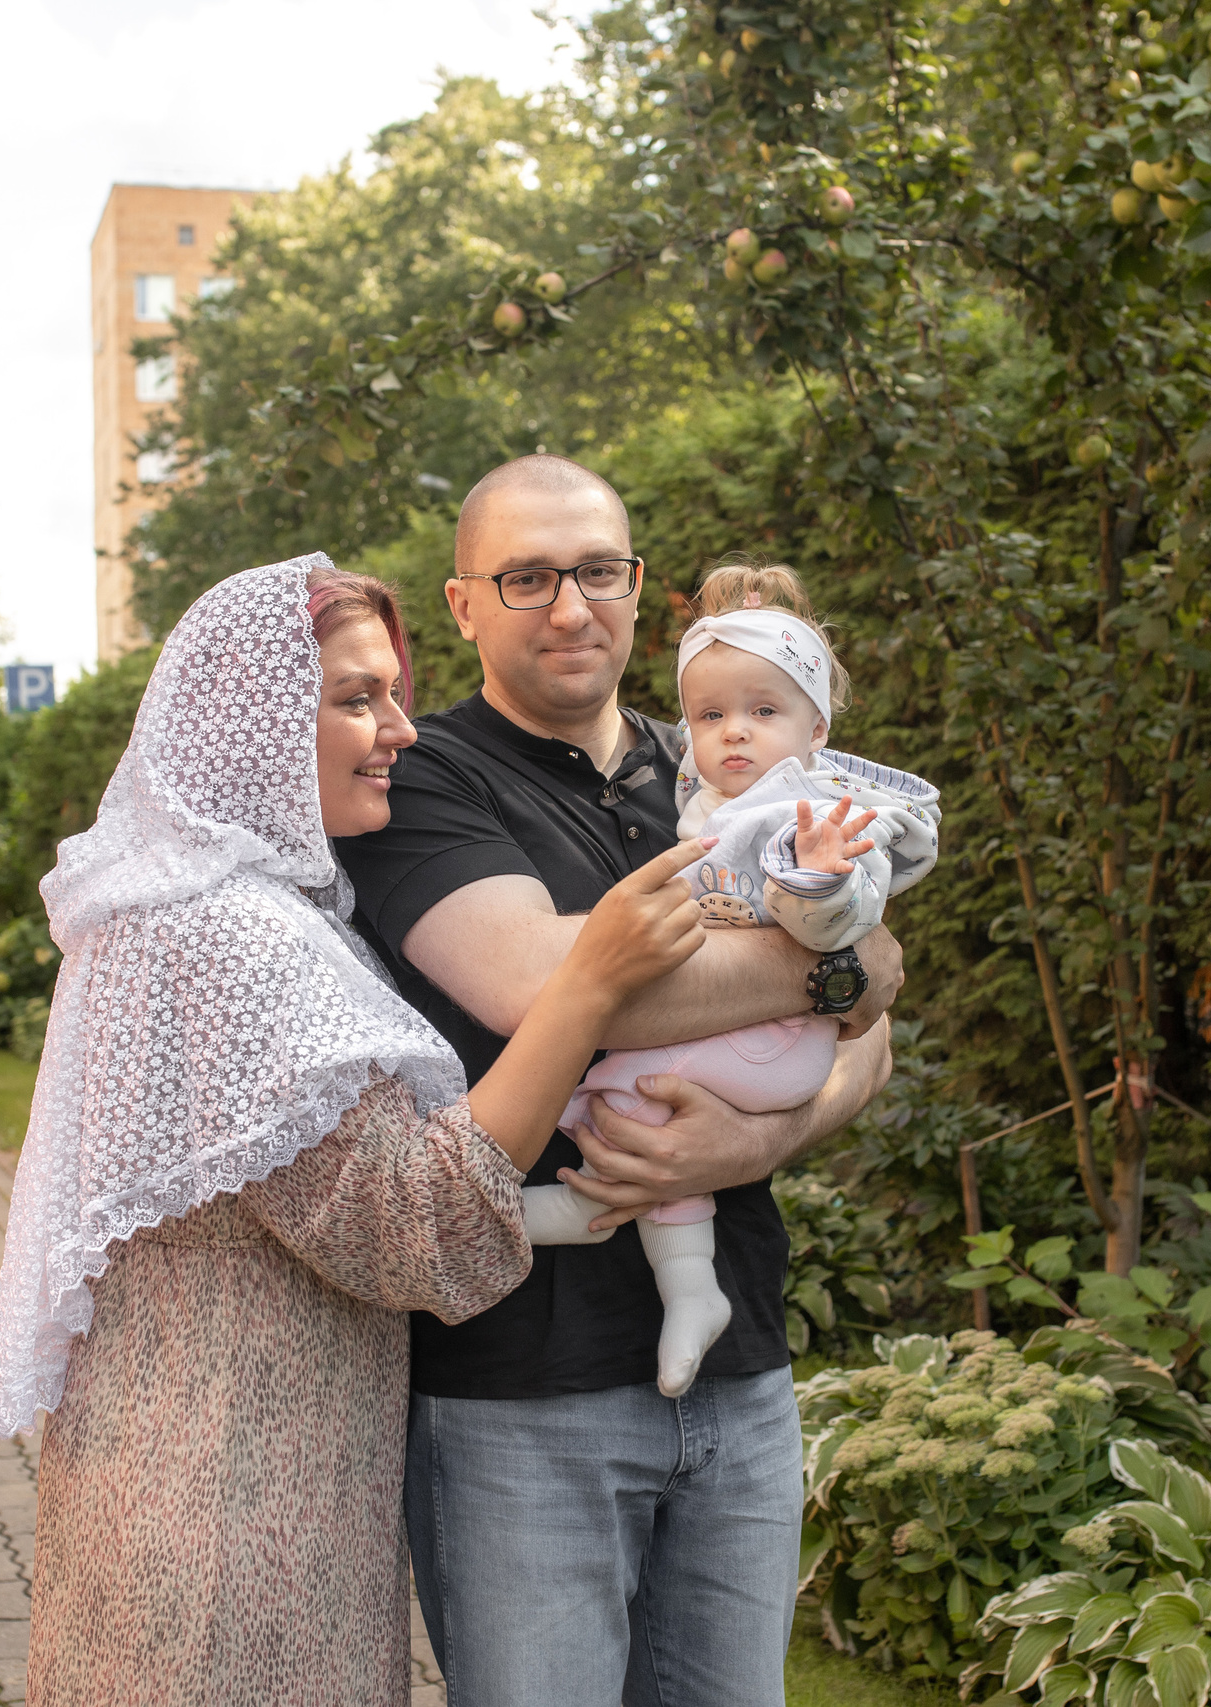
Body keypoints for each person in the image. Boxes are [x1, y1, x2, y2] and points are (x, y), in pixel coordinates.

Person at [0, 554, 712, 1707]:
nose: (400, 730)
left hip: (184, 1484)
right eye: (356, 699)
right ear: (253, 724)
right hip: (237, 1528)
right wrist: (585, 987)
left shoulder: (179, 902)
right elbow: (410, 1228)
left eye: (398, 693)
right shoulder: (226, 937)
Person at [336, 459, 905, 1707]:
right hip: (519, 1395)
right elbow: (540, 982)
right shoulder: (421, 778)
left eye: (598, 571)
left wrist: (759, 1140)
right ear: (462, 604)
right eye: (526, 577)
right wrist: (829, 968)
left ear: (638, 585)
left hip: (741, 1370)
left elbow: (878, 1009)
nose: (570, 607)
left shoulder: (714, 759)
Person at [517, 561, 942, 1397]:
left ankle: (594, 1205)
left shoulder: (807, 812)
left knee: (619, 1084)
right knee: (632, 1096)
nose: (734, 733)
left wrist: (818, 879)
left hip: (776, 1048)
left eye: (762, 712)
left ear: (816, 727)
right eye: (710, 715)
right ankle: (691, 1292)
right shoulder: (712, 800)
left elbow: (855, 949)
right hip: (751, 1040)